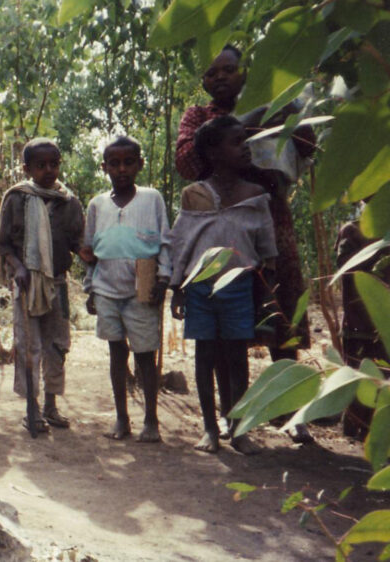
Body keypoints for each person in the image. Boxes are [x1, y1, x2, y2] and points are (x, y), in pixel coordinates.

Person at [175, 43, 316, 444]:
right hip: (220, 226)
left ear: (245, 71)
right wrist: (251, 119)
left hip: (271, 218)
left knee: (280, 308)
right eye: (210, 72)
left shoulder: (278, 99)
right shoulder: (198, 116)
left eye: (228, 69)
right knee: (224, 324)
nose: (218, 77)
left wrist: (289, 110)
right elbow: (187, 160)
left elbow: (307, 146)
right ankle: (228, 413)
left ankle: (288, 410)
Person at [169, 115, 276, 455]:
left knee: (237, 357)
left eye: (245, 140)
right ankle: (210, 428)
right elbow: (182, 243)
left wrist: (267, 294)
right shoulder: (194, 195)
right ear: (213, 153)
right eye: (236, 142)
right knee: (205, 355)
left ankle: (238, 426)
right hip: (200, 287)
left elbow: (266, 250)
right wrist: (177, 287)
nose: (245, 147)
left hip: (240, 287)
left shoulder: (256, 196)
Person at [80, 136, 170, 442]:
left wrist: (164, 278)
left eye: (128, 162)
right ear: (104, 167)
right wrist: (90, 287)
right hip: (106, 288)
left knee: (145, 354)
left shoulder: (152, 199)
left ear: (139, 164)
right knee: (116, 353)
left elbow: (165, 242)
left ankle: (151, 420)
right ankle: (121, 418)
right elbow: (90, 251)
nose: (122, 169)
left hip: (141, 286)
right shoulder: (97, 205)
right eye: (114, 164)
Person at [0, 138, 83, 434]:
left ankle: (50, 405)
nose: (48, 170)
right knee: (27, 345)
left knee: (56, 346)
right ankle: (31, 409)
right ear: (27, 168)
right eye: (40, 165)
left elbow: (78, 243)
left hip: (57, 284)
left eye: (54, 164)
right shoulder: (17, 198)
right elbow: (3, 244)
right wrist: (18, 267)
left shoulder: (69, 202)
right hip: (27, 283)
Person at [336, 216, 390, 439]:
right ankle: (355, 423)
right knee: (362, 373)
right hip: (360, 322)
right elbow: (346, 268)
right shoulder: (352, 230)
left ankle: (375, 429)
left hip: (384, 322)